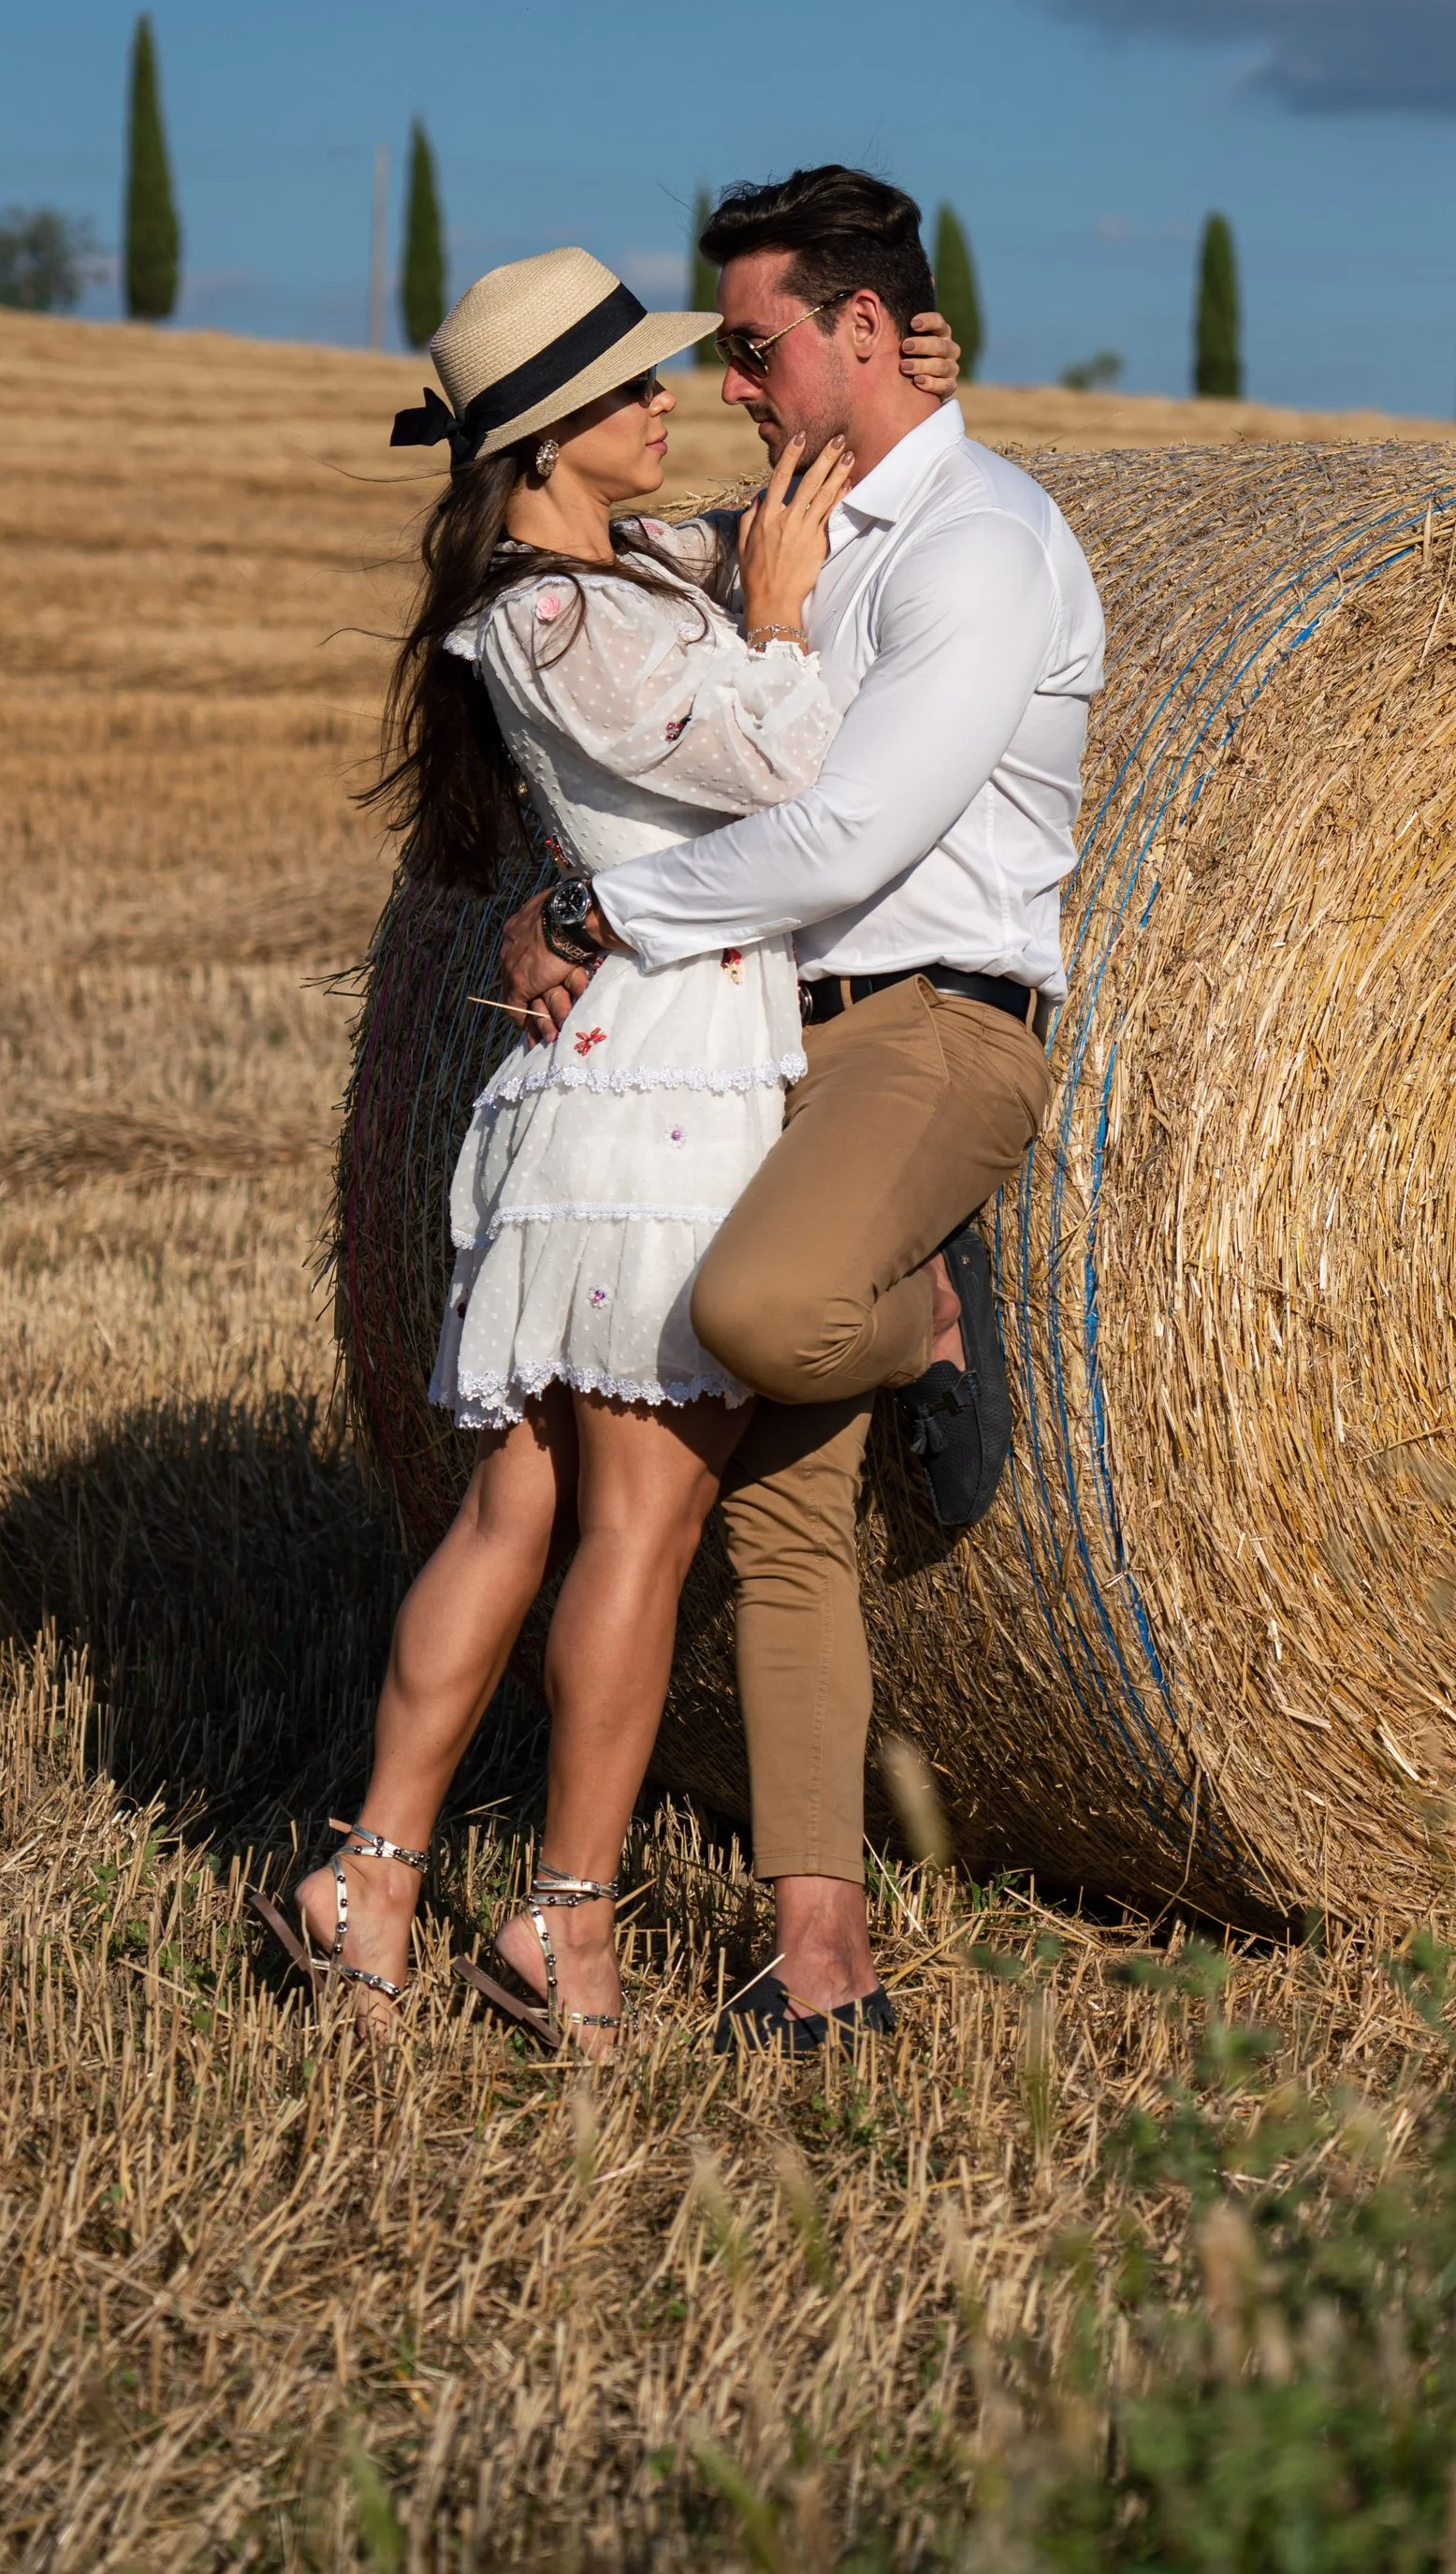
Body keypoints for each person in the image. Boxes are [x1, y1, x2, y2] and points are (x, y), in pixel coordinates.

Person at [249, 240, 961, 2052]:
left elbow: (784, 514)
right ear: (554, 438)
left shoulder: (624, 566)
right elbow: (793, 763)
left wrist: (902, 399)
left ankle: (372, 1878)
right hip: (662, 1085)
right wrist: (786, 620)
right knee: (635, 1520)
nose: (674, 404)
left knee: (527, 1500)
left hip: (615, 1075)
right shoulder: (553, 618)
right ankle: (564, 1923)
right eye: (636, 389)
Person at [502, 166, 1105, 2053]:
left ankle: (924, 1308)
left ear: (859, 329)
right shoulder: (793, 518)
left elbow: (852, 827)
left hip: (926, 1031)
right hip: (764, 1033)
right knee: (782, 1511)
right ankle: (817, 1953)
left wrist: (598, 913)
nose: (735, 385)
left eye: (755, 346)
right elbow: (595, 581)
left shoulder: (977, 547)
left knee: (762, 1318)